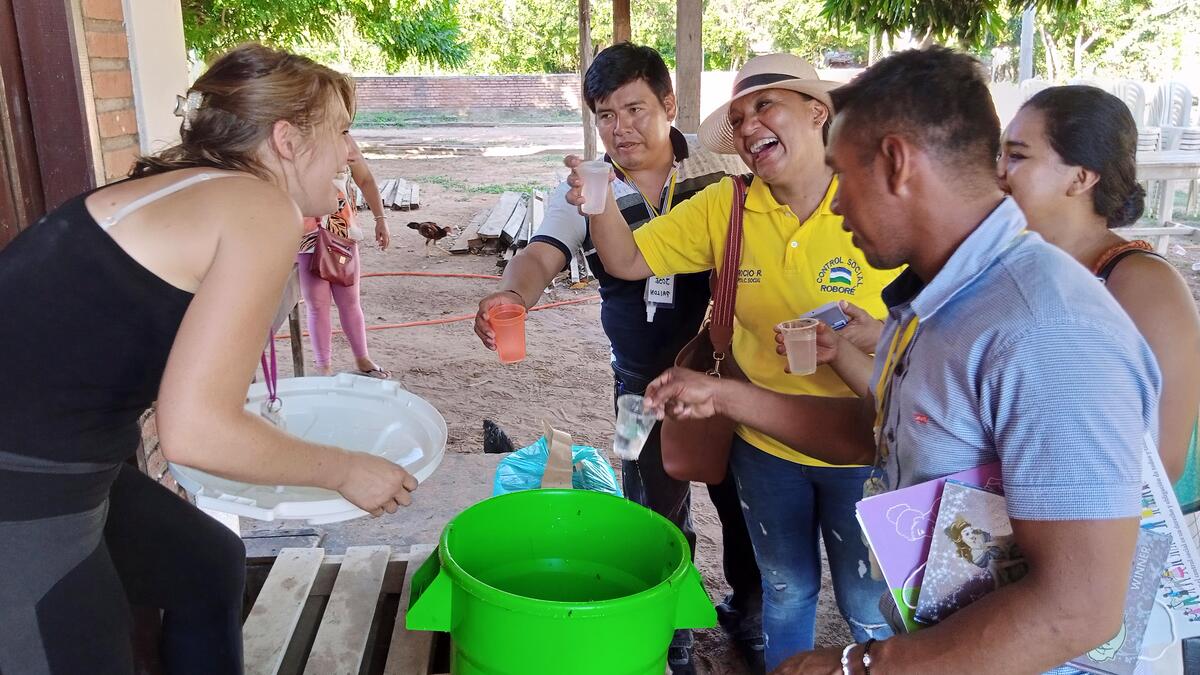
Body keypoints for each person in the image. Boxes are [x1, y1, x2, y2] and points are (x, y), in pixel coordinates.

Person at [642, 46, 1161, 674]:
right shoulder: (937, 303)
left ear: (895, 163)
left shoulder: (1045, 328)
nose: (834, 205)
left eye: (843, 175)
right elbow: (882, 434)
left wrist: (860, 665)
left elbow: (1079, 608)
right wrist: (725, 396)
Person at [0, 44, 418, 674]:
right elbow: (196, 432)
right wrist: (343, 469)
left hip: (72, 457)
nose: (349, 153)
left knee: (205, 564)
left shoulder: (190, 186)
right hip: (24, 488)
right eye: (342, 131)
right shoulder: (258, 207)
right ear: (286, 139)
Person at [565, 53, 899, 670]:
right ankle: (678, 636)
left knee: (865, 598)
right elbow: (623, 260)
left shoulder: (871, 198)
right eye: (740, 115)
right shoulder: (727, 203)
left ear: (817, 112)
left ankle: (743, 617)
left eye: (763, 107)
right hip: (674, 400)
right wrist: (594, 204)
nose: (748, 127)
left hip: (862, 441)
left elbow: (941, 307)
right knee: (666, 512)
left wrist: (880, 333)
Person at [472, 42, 760, 673]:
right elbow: (542, 252)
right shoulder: (585, 189)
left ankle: (753, 614)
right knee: (651, 508)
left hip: (727, 375)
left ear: (669, 104)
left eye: (635, 109)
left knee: (741, 499)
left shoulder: (722, 171)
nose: (621, 127)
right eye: (606, 115)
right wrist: (510, 294)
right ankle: (670, 633)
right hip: (636, 381)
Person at [998, 85, 1200, 486]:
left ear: (1082, 177)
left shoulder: (1144, 286)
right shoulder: (1013, 264)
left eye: (1017, 156)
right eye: (1000, 154)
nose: (998, 171)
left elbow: (1162, 460)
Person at [297, 134, 392, 378]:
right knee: (317, 304)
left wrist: (380, 219)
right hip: (306, 233)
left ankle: (362, 357)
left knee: (349, 300)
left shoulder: (343, 140)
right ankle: (324, 367)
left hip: (342, 231)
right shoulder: (290, 137)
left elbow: (365, 179)